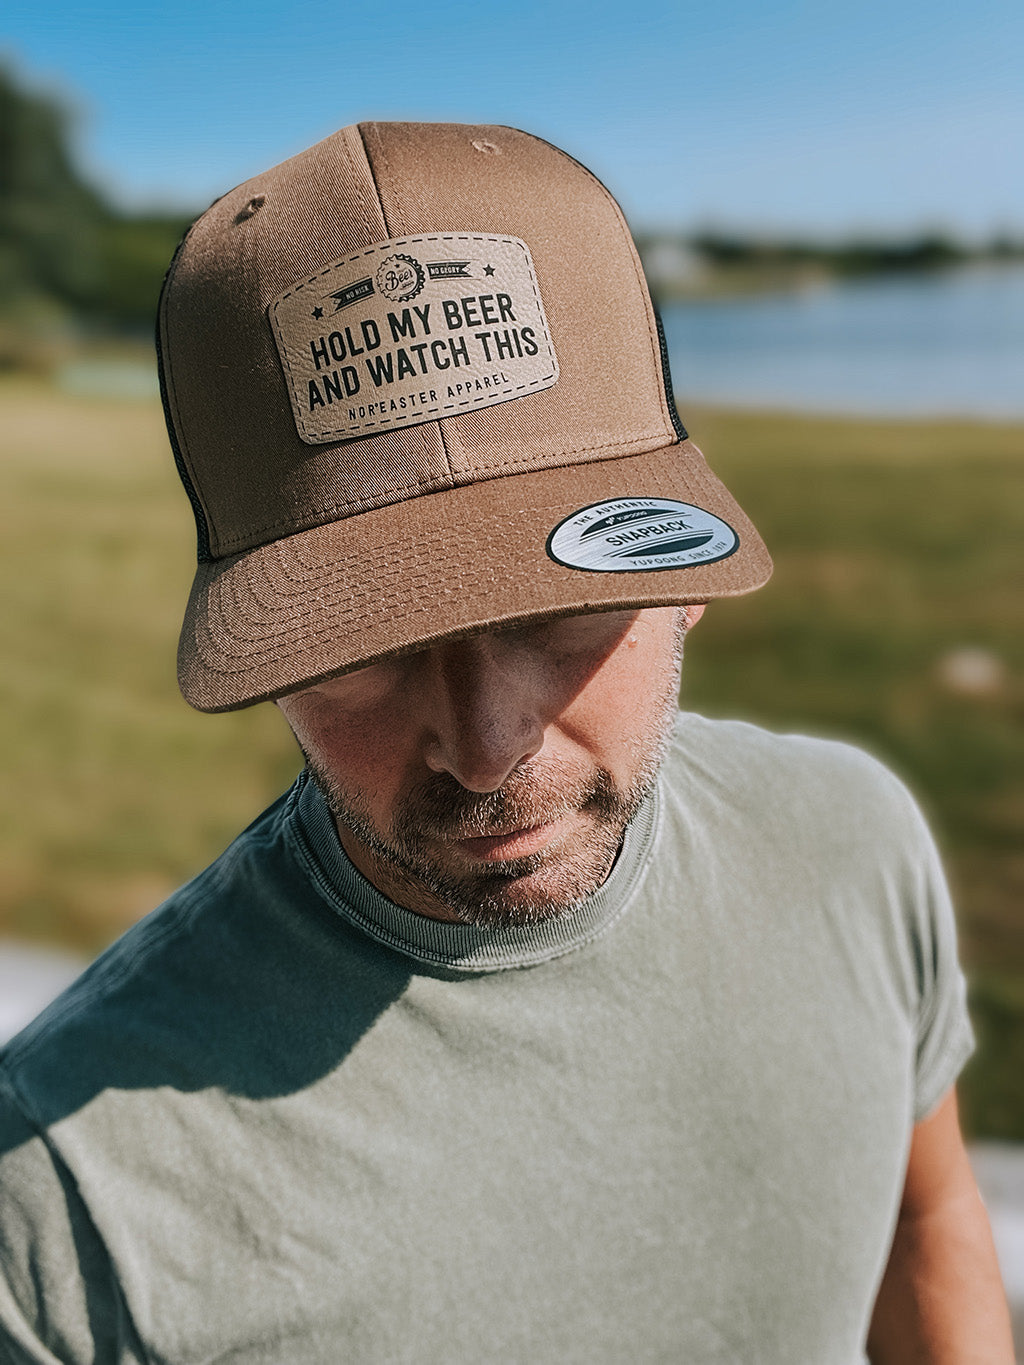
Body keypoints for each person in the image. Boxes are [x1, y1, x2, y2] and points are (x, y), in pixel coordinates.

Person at [0, 122, 1012, 1364]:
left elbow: (924, 1215)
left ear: (683, 571)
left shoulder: (851, 843)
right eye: (363, 647)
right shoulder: (62, 1190)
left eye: (551, 613)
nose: (484, 752)